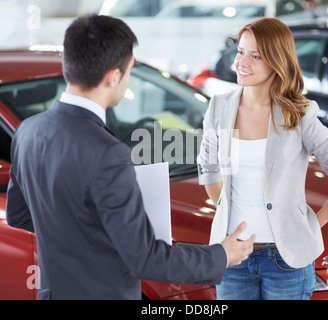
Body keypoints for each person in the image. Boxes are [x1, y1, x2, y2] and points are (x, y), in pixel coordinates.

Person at [5, 14, 256, 300]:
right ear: (114, 76)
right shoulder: (108, 153)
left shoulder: (28, 132)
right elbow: (146, 259)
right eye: (129, 71)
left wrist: (83, 231)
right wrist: (221, 255)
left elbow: (19, 215)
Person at [197, 17, 328, 300]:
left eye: (256, 56)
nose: (242, 63)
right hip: (233, 256)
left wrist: (310, 226)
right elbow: (209, 169)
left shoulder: (299, 113)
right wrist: (227, 213)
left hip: (285, 260)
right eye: (240, 52)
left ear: (276, 61)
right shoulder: (219, 107)